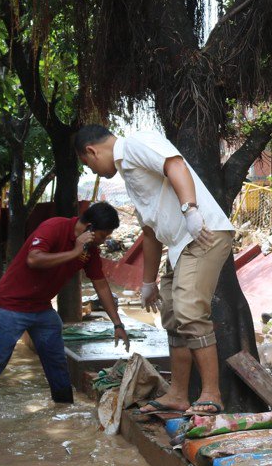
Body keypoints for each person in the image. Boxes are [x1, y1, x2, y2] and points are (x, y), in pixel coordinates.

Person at [75, 125, 235, 415]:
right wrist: (148, 282)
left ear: (91, 150)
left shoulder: (135, 143)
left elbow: (174, 164)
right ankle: (178, 394)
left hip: (202, 233)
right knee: (172, 314)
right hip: (178, 245)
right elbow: (150, 232)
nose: (94, 171)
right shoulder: (130, 177)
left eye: (89, 164)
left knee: (190, 311)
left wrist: (190, 209)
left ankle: (211, 394)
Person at [0, 202, 127, 424]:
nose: (103, 240)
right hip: (12, 304)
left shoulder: (90, 250)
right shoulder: (54, 227)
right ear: (89, 228)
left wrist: (117, 324)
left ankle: (65, 413)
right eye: (102, 235)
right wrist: (74, 251)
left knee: (56, 361)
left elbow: (101, 285)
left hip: (42, 308)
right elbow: (34, 259)